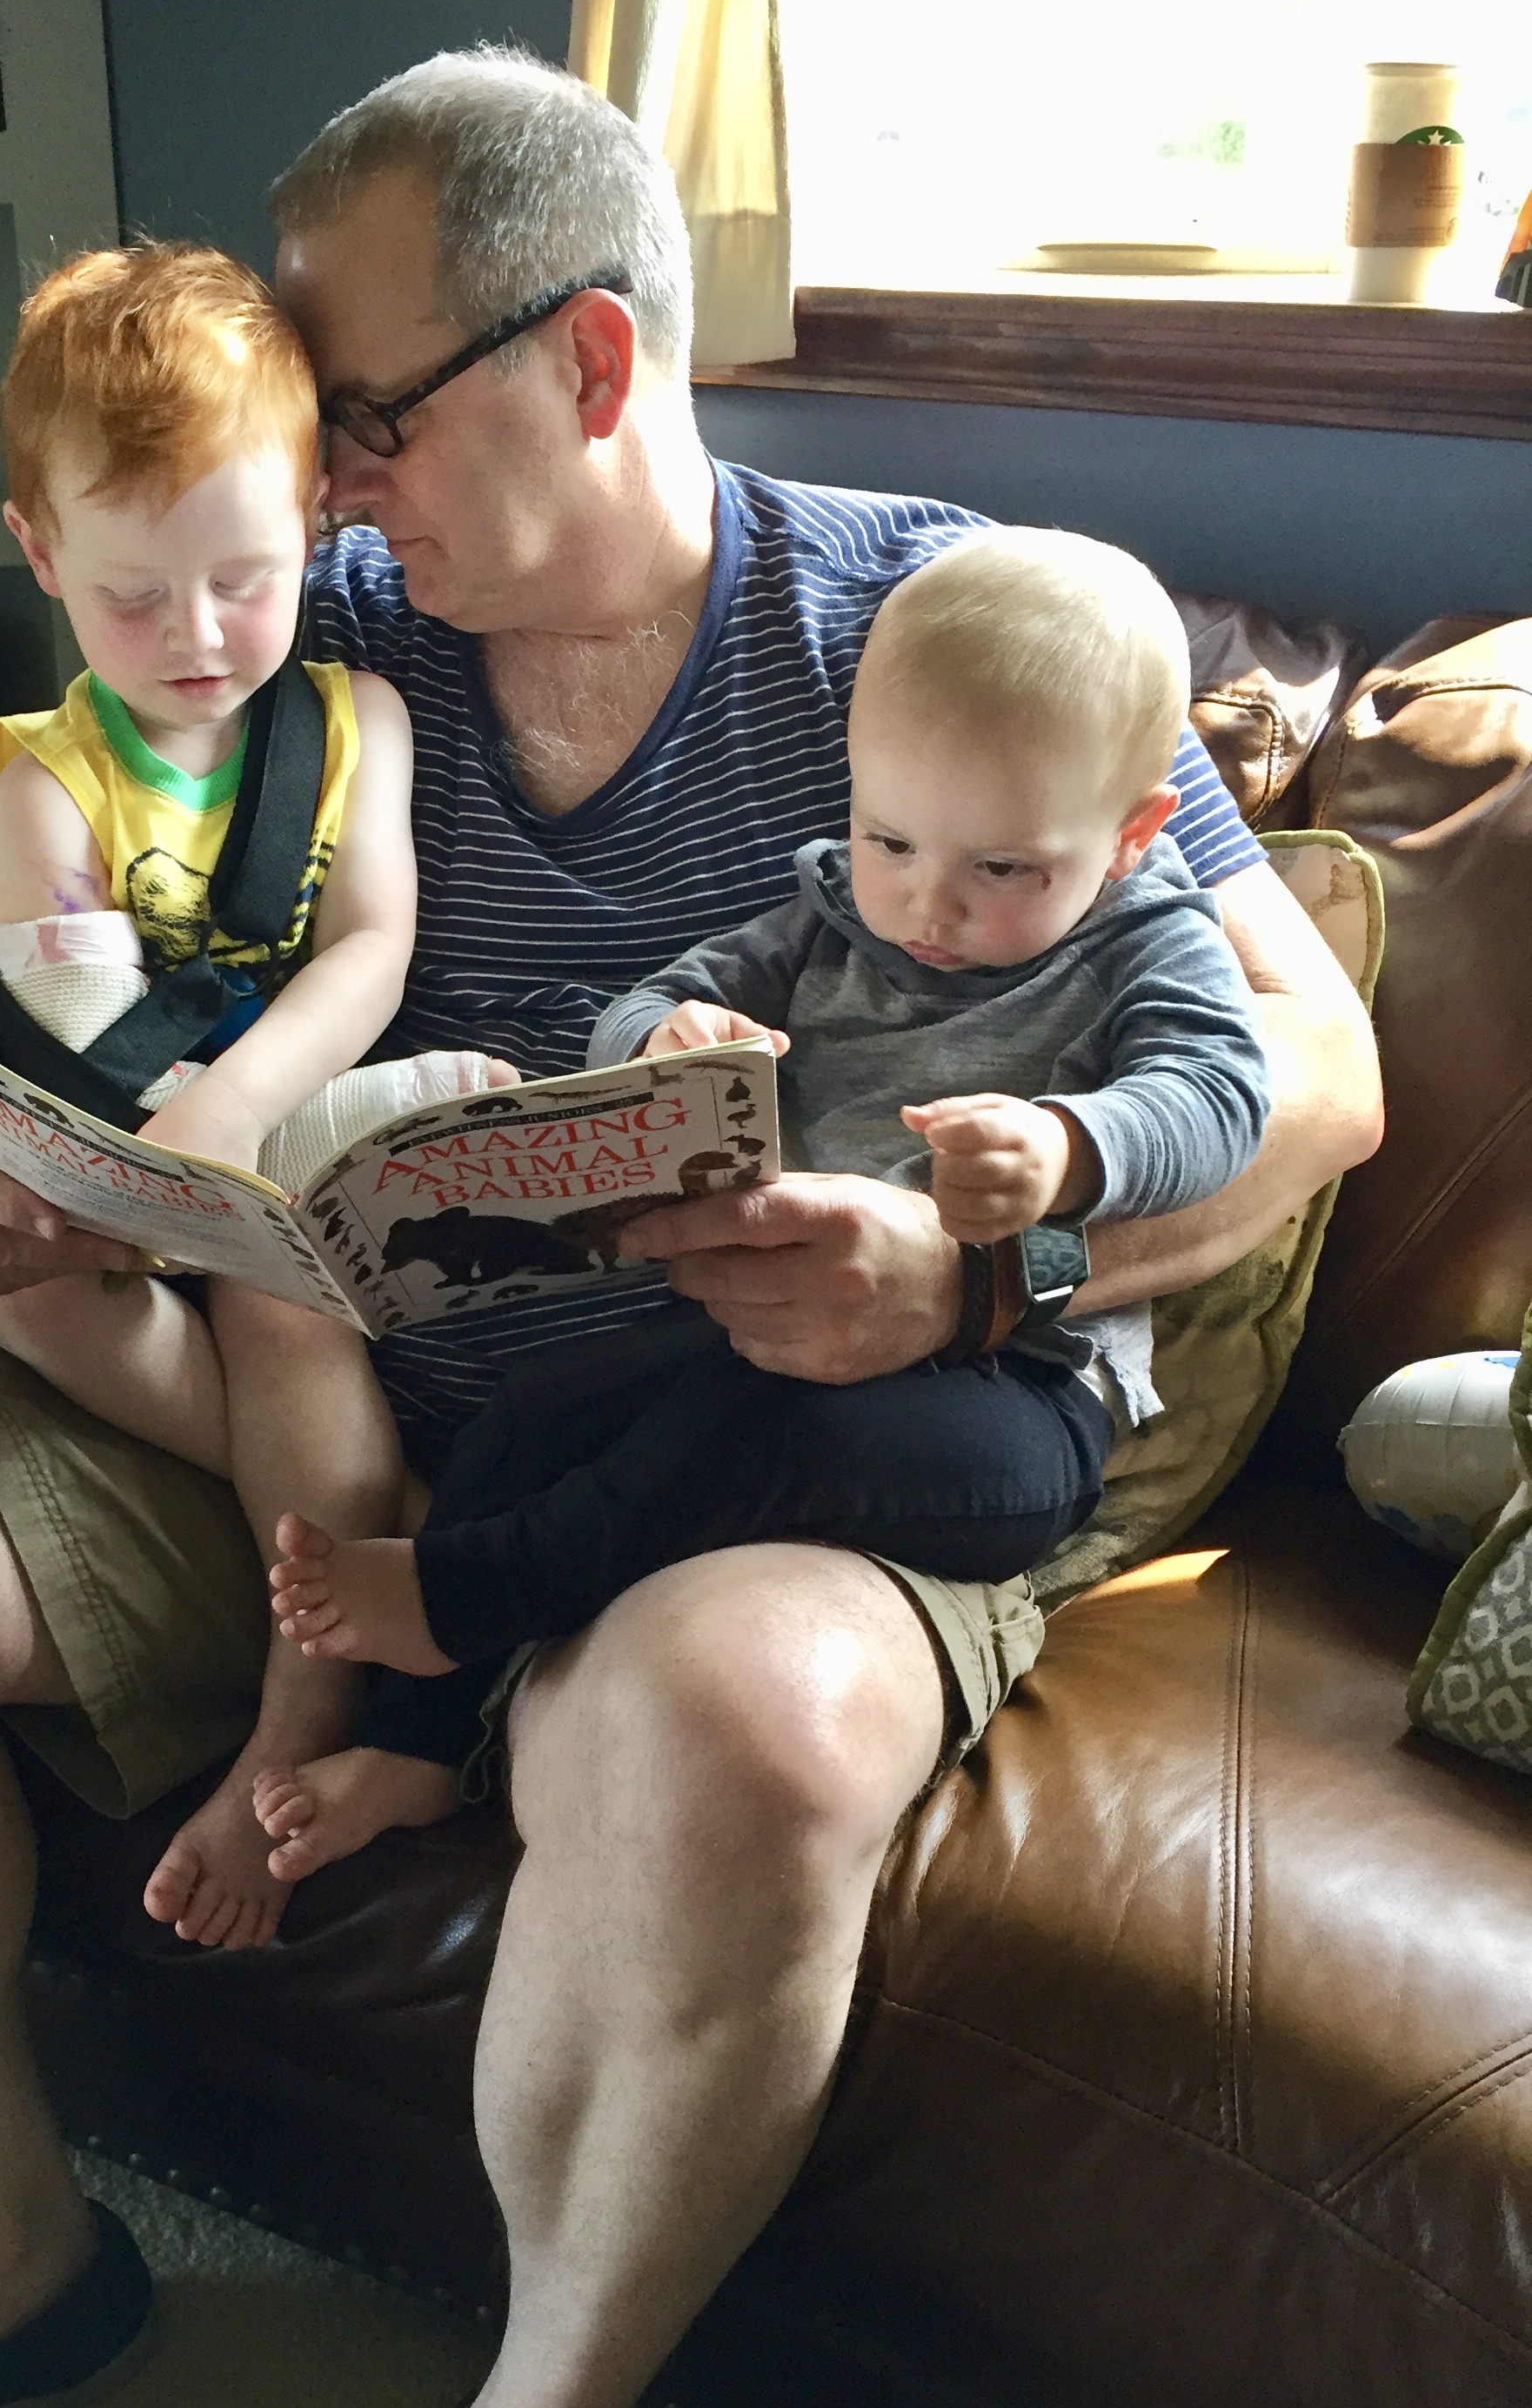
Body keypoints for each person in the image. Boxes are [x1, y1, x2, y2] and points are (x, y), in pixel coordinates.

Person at [0, 50, 1380, 2408]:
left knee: (738, 1724)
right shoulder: (307, 621)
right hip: (299, 1382)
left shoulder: (934, 621)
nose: (324, 488)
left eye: (368, 418)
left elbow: (1322, 1072)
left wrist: (971, 1281)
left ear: (589, 359)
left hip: (766, 1429)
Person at [253, 526, 1274, 1880]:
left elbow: (1224, 1094)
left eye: (1003, 869)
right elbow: (647, 1000)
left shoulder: (1152, 937)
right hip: (769, 1329)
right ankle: (419, 1747)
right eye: (890, 838)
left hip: (1015, 1397)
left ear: (1133, 835)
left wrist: (1073, 1144)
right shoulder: (833, 910)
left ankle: (464, 1599)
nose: (928, 905)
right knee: (536, 1413)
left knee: (742, 1435)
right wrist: (663, 1034)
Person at [0, 238, 510, 1954]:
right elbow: (75, 1016)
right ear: (41, 553)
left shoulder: (357, 723)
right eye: (132, 597)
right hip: (110, 1157)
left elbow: (372, 943)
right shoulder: (46, 792)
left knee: (285, 1304)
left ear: (319, 526)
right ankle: (385, 1508)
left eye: (244, 580)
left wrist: (243, 1107)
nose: (196, 638)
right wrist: (133, 1161)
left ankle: (294, 1723)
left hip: (281, 1152)